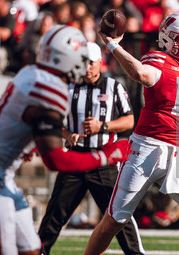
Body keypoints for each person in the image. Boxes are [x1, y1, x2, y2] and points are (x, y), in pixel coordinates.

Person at [84, 13, 179, 255]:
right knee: (113, 221)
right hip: (145, 150)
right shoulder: (157, 60)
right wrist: (112, 43)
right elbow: (139, 73)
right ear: (167, 39)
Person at [0, 25, 131, 255]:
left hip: (2, 172)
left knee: (33, 249)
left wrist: (22, 143)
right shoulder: (49, 88)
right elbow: (56, 161)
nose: (85, 64)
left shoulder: (31, 72)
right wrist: (105, 156)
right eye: (82, 57)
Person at [38, 42, 145, 255]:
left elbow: (129, 121)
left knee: (118, 215)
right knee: (54, 214)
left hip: (104, 159)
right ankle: (38, 252)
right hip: (76, 158)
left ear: (100, 63)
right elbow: (51, 120)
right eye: (83, 62)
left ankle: (135, 253)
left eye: (91, 63)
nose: (87, 67)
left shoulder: (114, 86)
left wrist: (102, 126)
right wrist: (67, 134)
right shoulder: (67, 87)